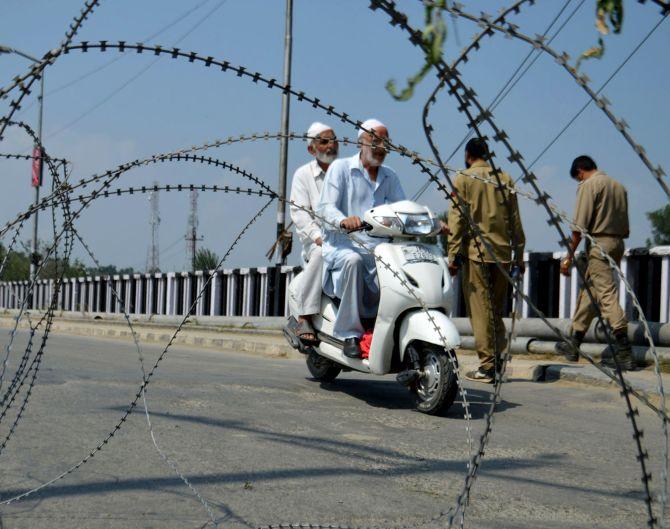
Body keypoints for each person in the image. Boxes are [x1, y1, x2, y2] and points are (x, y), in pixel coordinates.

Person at [317, 119, 405, 358]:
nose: (381, 147)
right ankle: (349, 334)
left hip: (378, 249)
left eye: (385, 142)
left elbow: (402, 208)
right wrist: (343, 221)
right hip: (343, 246)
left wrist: (433, 223)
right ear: (361, 143)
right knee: (353, 261)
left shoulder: (390, 177)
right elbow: (325, 208)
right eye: (375, 141)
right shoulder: (341, 169)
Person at [447, 138, 525, 384]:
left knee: (480, 311)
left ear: (468, 155)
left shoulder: (464, 178)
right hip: (503, 255)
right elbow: (515, 220)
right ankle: (498, 358)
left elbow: (457, 219)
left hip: (477, 253)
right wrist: (519, 255)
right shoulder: (506, 179)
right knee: (494, 309)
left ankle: (488, 366)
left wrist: (453, 254)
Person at [555, 155, 634, 370]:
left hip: (599, 244)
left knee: (606, 293)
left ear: (580, 171)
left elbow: (578, 227)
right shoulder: (618, 186)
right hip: (617, 242)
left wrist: (569, 256)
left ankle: (624, 350)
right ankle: (574, 344)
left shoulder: (589, 185)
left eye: (578, 178)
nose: (579, 181)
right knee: (591, 292)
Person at [287, 122, 339, 343]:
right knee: (322, 253)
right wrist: (317, 237)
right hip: (317, 243)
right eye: (324, 141)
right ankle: (305, 316)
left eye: (334, 140)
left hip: (348, 241)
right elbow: (298, 213)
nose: (331, 145)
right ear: (311, 149)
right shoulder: (303, 175)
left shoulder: (346, 172)